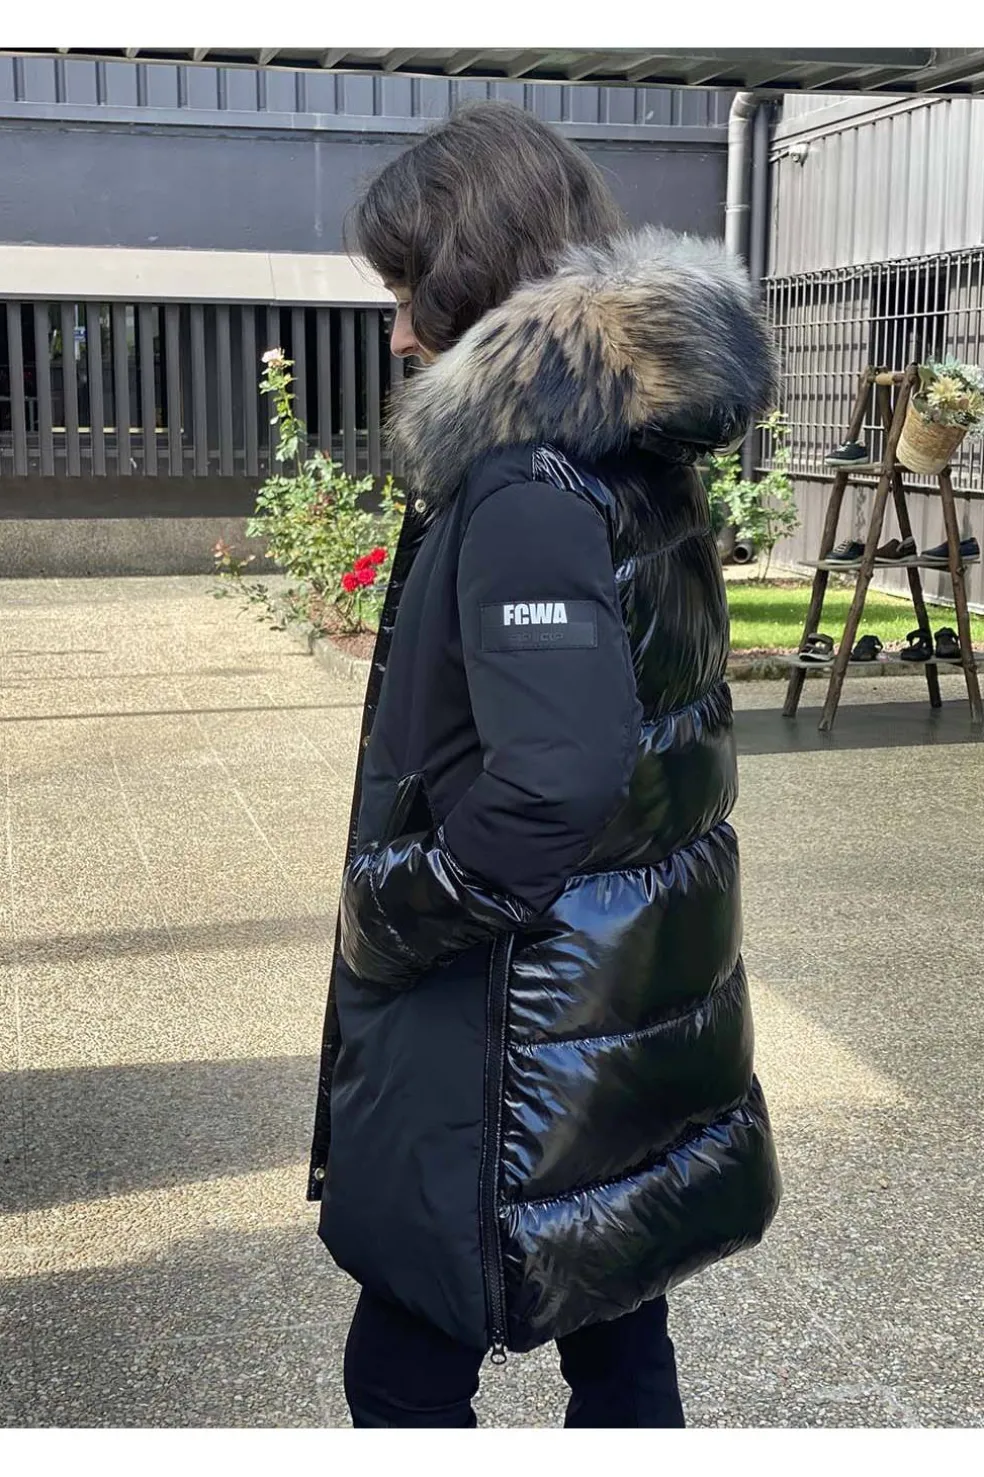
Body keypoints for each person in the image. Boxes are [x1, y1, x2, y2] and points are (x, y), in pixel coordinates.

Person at [307, 100, 782, 1429]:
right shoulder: (628, 446)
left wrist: (393, 906)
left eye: (406, 290)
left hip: (516, 1020)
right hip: (617, 994)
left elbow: (555, 777)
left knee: (403, 1370)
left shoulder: (526, 481)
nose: (398, 331)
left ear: (467, 274)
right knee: (620, 1324)